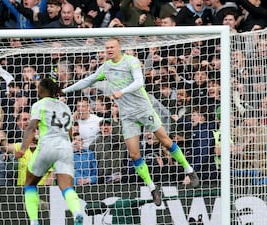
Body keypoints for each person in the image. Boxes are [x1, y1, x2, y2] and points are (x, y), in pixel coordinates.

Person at [62, 37, 199, 206]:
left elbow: (139, 81)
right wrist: (64, 90)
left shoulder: (131, 61)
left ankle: (189, 170)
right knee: (134, 154)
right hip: (127, 116)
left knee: (165, 140)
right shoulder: (106, 67)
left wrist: (122, 91)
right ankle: (152, 188)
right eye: (107, 48)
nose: (109, 50)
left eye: (112, 47)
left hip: (143, 109)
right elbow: (88, 80)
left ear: (119, 48)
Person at [15, 78, 83, 225]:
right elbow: (70, 133)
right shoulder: (65, 107)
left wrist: (23, 149)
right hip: (65, 147)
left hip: (47, 145)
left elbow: (31, 128)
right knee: (66, 187)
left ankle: (34, 221)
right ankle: (77, 212)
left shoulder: (39, 105)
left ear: (41, 90)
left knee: (30, 184)